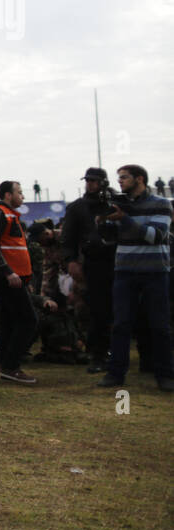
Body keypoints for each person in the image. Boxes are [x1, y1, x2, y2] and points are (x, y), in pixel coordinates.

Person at [96, 165, 174, 391]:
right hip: (125, 272)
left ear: (139, 179)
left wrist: (126, 219)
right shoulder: (119, 205)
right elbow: (109, 239)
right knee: (120, 324)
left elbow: (156, 236)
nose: (119, 181)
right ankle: (115, 373)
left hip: (155, 272)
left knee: (159, 325)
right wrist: (102, 222)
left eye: (124, 178)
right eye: (118, 178)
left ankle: (165, 375)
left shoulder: (161, 204)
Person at [59, 167, 118, 373]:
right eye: (88, 180)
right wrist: (71, 261)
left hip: (120, 262)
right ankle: (98, 355)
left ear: (103, 182)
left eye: (94, 181)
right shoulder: (77, 207)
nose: (90, 184)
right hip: (94, 264)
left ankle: (120, 353)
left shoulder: (115, 203)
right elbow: (67, 238)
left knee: (121, 310)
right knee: (98, 311)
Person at [0, 181, 38, 385]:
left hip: (16, 278)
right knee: (29, 320)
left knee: (10, 321)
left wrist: (25, 278)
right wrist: (8, 272)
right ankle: (11, 365)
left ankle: (7, 365)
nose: (22, 196)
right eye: (19, 193)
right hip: (8, 278)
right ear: (7, 195)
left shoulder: (10, 214)